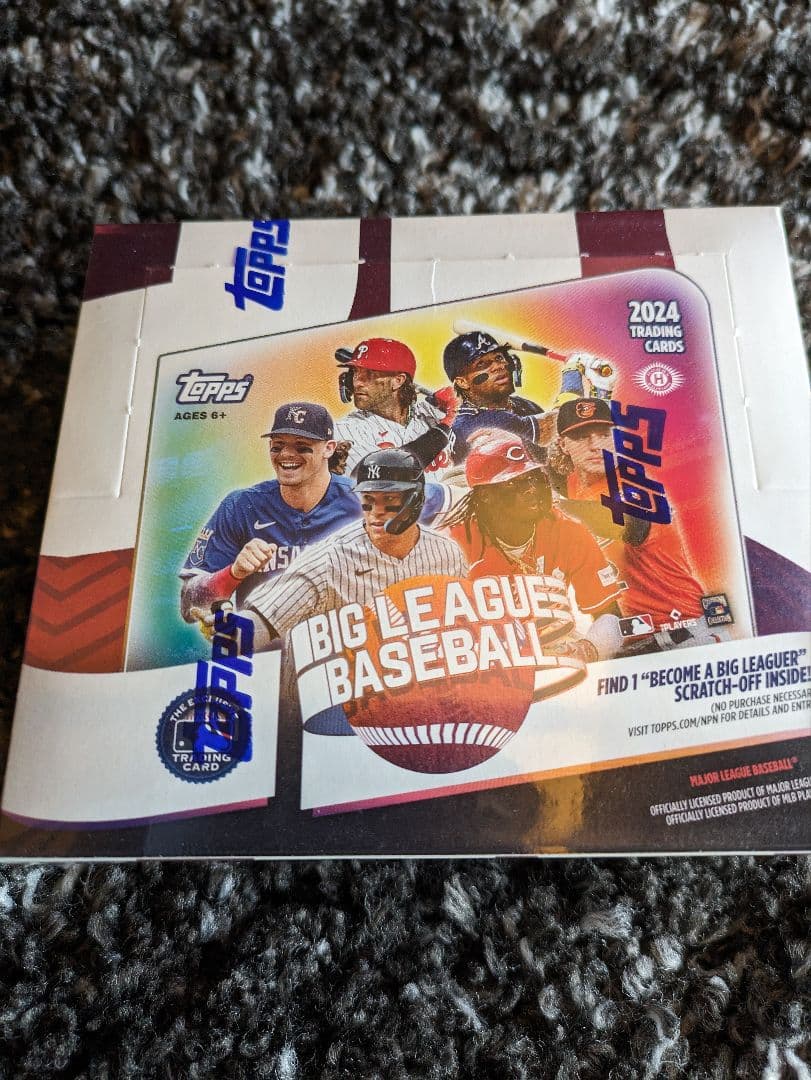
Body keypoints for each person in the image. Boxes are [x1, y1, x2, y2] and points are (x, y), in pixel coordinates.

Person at [180, 401, 457, 627]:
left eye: (302, 446)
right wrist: (234, 573)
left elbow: (456, 497)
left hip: (351, 656)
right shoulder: (241, 506)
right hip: (269, 657)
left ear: (329, 448)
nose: (287, 455)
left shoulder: (366, 496)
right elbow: (191, 604)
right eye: (278, 446)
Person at [244, 447, 468, 647]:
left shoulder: (447, 553)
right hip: (344, 677)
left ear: (416, 500)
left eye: (389, 499)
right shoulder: (330, 559)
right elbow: (261, 622)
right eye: (369, 498)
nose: (376, 511)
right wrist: (230, 634)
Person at [549, 397, 723, 650]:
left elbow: (632, 527)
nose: (595, 446)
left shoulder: (634, 481)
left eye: (603, 435)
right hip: (635, 637)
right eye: (581, 437)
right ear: (563, 445)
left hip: (684, 630)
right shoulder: (575, 482)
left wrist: (557, 506)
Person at [442, 428, 626, 663]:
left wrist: (588, 649)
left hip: (552, 646)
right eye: (514, 482)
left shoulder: (568, 531)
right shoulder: (452, 546)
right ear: (485, 495)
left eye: (533, 477)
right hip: (482, 656)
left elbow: (610, 616)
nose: (531, 489)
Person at [335, 338, 457, 477]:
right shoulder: (347, 429)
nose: (357, 383)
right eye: (355, 373)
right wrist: (447, 424)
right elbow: (378, 477)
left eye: (370, 374)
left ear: (398, 381)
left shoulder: (432, 413)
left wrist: (462, 401)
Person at [441, 331, 556, 464]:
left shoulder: (523, 404)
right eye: (481, 364)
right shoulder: (474, 423)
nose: (498, 366)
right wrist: (571, 374)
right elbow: (558, 424)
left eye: (499, 358)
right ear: (462, 382)